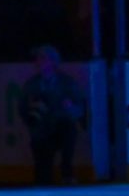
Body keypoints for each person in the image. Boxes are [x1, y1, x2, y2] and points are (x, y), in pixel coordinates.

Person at [18, 46, 85, 185]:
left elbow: (80, 109)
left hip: (61, 128)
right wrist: (32, 119)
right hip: (41, 131)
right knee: (42, 167)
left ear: (53, 62)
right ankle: (43, 178)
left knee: (69, 129)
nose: (40, 62)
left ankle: (67, 173)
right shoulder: (31, 85)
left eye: (44, 59)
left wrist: (70, 107)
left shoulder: (67, 83)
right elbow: (22, 109)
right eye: (38, 59)